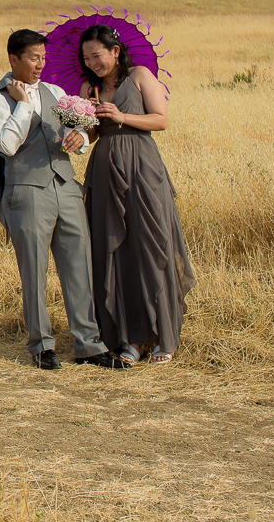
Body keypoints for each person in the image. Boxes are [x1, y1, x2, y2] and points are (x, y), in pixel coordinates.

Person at [0, 30, 124, 370]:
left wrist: (80, 137)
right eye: (33, 58)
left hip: (67, 187)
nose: (41, 64)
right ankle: (41, 345)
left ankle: (88, 344)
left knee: (78, 267)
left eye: (43, 57)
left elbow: (83, 131)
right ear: (13, 59)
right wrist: (24, 107)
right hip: (26, 193)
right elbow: (7, 146)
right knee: (34, 272)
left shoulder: (56, 92)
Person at [79, 24, 197, 364]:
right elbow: (96, 134)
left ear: (115, 51)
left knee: (151, 247)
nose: (92, 63)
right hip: (104, 171)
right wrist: (83, 120)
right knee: (113, 251)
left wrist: (121, 115)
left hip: (142, 169)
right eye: (86, 58)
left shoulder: (142, 75)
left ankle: (164, 338)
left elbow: (161, 120)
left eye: (97, 55)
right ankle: (128, 339)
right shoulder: (91, 87)